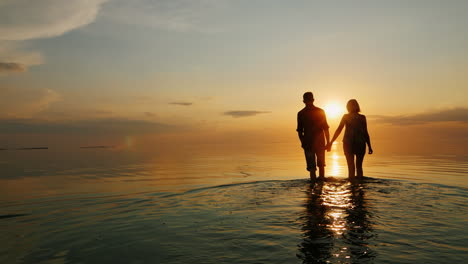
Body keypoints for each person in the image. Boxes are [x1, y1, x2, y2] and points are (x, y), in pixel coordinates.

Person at [327, 99, 373, 179]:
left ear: (348, 107)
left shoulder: (346, 117)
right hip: (360, 143)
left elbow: (339, 130)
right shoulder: (362, 117)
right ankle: (360, 187)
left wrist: (331, 142)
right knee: (359, 167)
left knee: (351, 168)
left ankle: (352, 186)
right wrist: (369, 146)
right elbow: (365, 132)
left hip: (348, 144)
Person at [297, 92, 330, 181]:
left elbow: (300, 131)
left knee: (313, 168)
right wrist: (328, 142)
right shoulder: (320, 111)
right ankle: (321, 183)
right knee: (320, 166)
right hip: (317, 143)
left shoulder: (301, 113)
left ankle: (313, 186)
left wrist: (302, 142)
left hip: (310, 143)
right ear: (313, 100)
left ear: (303, 101)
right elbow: (326, 128)